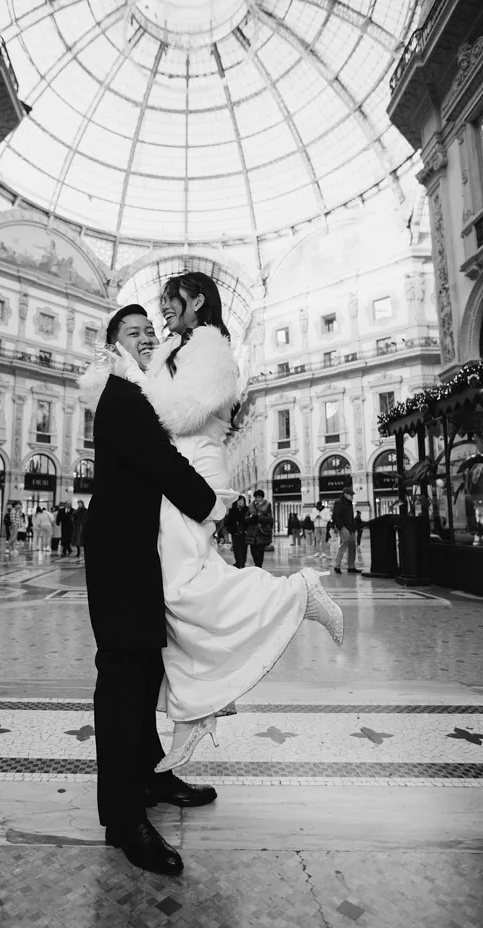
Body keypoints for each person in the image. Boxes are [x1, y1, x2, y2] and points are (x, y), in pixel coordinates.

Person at [85, 274, 343, 780]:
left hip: (194, 475)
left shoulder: (210, 347)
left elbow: (176, 415)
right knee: (180, 599)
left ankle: (298, 593)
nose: (161, 316)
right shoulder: (176, 349)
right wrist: (132, 375)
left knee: (185, 589)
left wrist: (129, 378)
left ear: (197, 302)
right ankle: (196, 709)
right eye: (140, 324)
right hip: (179, 477)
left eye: (168, 304)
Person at [79, 304, 224, 878]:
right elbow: (161, 463)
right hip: (118, 556)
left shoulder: (143, 394)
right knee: (123, 677)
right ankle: (122, 818)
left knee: (146, 670)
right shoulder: (121, 395)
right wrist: (213, 505)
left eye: (149, 332)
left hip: (141, 554)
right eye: (133, 332)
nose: (146, 338)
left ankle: (151, 776)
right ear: (114, 345)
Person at [332, 486, 360, 574]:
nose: (352, 496)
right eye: (350, 494)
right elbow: (336, 516)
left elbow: (351, 517)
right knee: (344, 546)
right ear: (345, 494)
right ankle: (337, 566)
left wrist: (354, 526)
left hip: (351, 528)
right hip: (344, 528)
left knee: (352, 547)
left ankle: (351, 567)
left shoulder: (349, 504)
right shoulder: (338, 503)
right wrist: (341, 527)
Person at [245, 490, 274, 567]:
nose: (258, 499)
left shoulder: (267, 505)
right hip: (252, 532)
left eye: (259, 497)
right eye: (256, 497)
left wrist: (259, 517)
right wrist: (251, 518)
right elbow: (246, 518)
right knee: (253, 550)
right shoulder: (251, 506)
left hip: (262, 531)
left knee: (261, 551)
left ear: (262, 497)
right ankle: (257, 565)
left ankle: (259, 567)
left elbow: (270, 519)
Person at [224, 495, 247, 568]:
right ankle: (238, 562)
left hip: (244, 533)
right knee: (236, 549)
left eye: (242, 500)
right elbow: (227, 522)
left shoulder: (246, 510)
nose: (241, 502)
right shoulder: (232, 510)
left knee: (244, 549)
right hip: (235, 533)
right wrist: (231, 530)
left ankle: (242, 563)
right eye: (239, 500)